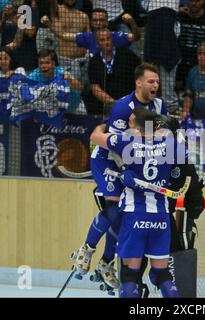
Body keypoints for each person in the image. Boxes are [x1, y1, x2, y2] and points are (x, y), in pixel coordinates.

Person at [72, 63, 168, 289]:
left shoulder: (159, 104)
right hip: (108, 159)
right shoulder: (122, 108)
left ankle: (106, 262)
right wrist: (125, 169)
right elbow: (112, 146)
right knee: (114, 207)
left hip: (132, 161)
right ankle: (87, 248)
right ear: (139, 83)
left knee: (125, 215)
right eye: (151, 81)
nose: (156, 85)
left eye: (157, 81)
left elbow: (160, 135)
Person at [90, 107, 181, 298]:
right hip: (161, 217)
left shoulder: (127, 141)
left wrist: (102, 127)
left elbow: (95, 136)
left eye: (131, 123)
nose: (128, 125)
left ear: (137, 128)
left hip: (135, 216)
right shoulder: (171, 144)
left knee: (129, 275)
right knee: (163, 274)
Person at [87, 28, 141, 115]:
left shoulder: (127, 55)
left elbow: (141, 74)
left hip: (131, 104)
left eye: (108, 38)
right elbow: (95, 89)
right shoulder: (94, 62)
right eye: (102, 40)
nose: (107, 42)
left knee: (147, 125)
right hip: (107, 107)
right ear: (97, 43)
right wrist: (114, 103)